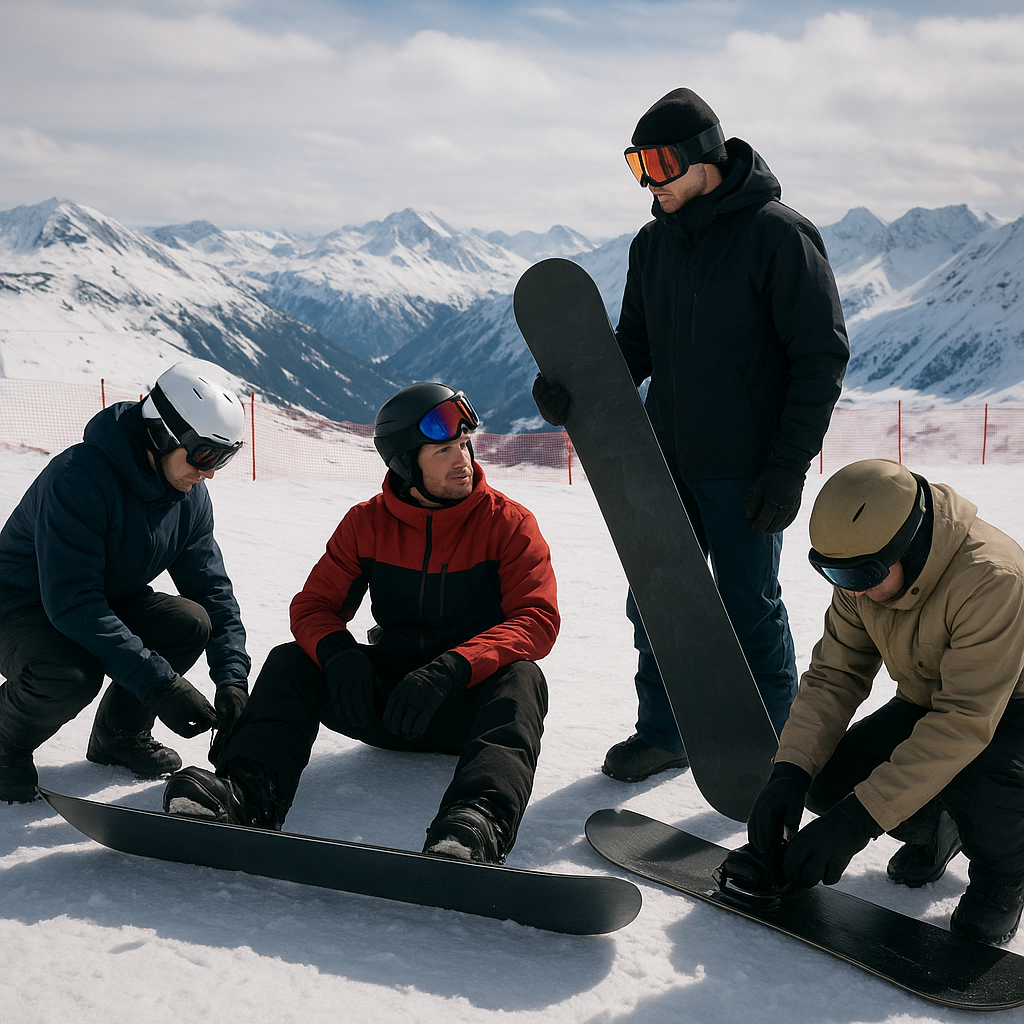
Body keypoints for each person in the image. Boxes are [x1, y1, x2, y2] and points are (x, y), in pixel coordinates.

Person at [532, 87, 849, 782]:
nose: (648, 181)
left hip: (746, 468)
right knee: (659, 600)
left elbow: (819, 358)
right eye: (635, 166)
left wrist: (787, 468)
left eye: (659, 164)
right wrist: (573, 389)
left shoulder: (776, 235)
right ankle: (666, 732)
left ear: (706, 157)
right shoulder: (654, 246)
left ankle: (778, 754)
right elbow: (632, 352)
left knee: (748, 607)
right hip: (663, 462)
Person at [162, 382, 559, 865]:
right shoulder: (367, 523)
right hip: (387, 703)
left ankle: (477, 822)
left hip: (464, 704)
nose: (463, 461)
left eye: (463, 445)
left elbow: (536, 618)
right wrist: (338, 654)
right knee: (292, 660)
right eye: (443, 450)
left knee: (523, 679)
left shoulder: (508, 524)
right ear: (405, 462)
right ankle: (246, 791)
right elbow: (312, 607)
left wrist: (453, 667)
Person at [746, 459, 1024, 945]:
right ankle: (937, 829)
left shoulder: (991, 578)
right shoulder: (861, 574)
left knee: (981, 779)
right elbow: (835, 676)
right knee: (830, 777)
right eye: (834, 573)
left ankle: (1004, 878)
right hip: (932, 699)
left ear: (910, 545)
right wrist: (789, 772)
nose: (851, 588)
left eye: (863, 574)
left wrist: (859, 822)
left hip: (1008, 709)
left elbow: (963, 721)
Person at [0, 359, 251, 803]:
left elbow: (210, 590)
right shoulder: (77, 479)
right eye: (205, 455)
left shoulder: (188, 497)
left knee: (189, 621)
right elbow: (73, 604)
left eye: (223, 459)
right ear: (162, 434)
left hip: (99, 600)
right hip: (21, 608)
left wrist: (232, 679)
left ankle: (119, 735)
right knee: (70, 673)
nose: (209, 473)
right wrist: (161, 685)